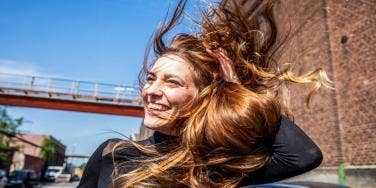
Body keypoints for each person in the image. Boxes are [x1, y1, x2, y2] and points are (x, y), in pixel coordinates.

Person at [78, 0, 332, 187]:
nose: (152, 91)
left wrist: (237, 90)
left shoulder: (214, 164)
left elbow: (303, 155)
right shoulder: (110, 153)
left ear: (202, 98)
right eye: (151, 79)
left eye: (172, 83)